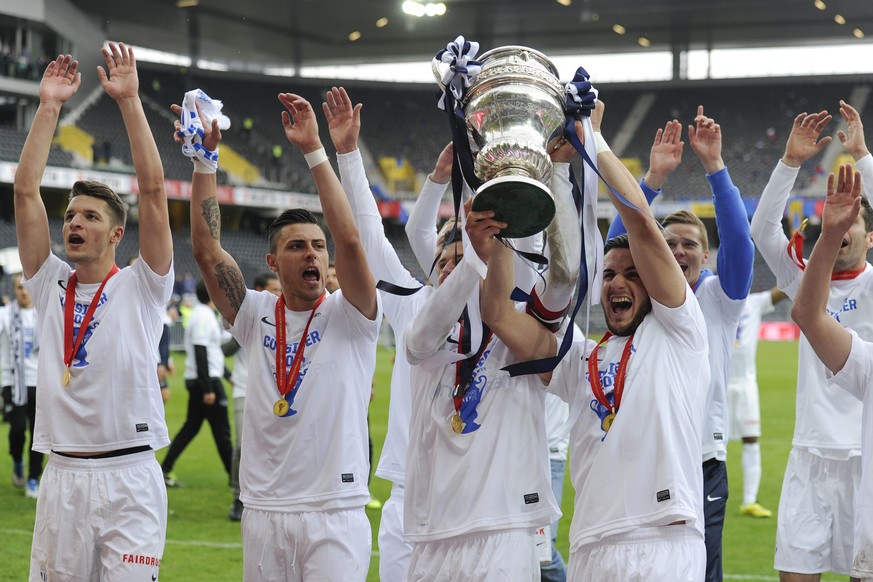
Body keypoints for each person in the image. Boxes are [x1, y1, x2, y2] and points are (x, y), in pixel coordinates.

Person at [326, 84, 580, 581]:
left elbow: (563, 268)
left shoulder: (518, 313)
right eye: (446, 255)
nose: (453, 259)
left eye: (465, 253)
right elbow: (367, 238)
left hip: (502, 513)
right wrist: (347, 154)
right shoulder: (413, 305)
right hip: (417, 503)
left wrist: (552, 174)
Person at [483, 103, 711, 581]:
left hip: (662, 540)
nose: (616, 283)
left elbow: (643, 225)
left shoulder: (681, 331)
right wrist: (502, 232)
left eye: (632, 274)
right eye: (608, 275)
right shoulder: (581, 359)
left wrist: (594, 140)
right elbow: (500, 315)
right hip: (591, 547)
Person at [181, 89, 380, 580]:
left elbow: (350, 239)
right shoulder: (254, 313)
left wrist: (315, 150)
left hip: (334, 508)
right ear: (272, 262)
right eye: (297, 247)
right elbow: (208, 252)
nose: (313, 254)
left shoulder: (353, 313)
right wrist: (205, 162)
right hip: (264, 509)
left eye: (317, 246)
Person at [14, 45, 173, 580]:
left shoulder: (143, 285)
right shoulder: (49, 281)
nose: (74, 223)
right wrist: (49, 107)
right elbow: (24, 190)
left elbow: (152, 191)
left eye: (89, 216)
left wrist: (129, 101)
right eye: (70, 215)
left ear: (116, 233)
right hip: (61, 477)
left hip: (129, 475)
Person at [606, 107, 755, 582]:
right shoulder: (645, 295)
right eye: (669, 244)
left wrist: (715, 167)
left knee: (702, 570)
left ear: (706, 256)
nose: (679, 252)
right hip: (646, 451)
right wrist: (649, 180)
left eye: (691, 244)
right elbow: (617, 247)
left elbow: (740, 240)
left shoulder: (719, 297)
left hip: (702, 460)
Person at [750, 102, 873, 582]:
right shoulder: (805, 278)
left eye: (853, 222)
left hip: (866, 454)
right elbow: (762, 229)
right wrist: (788, 163)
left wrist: (862, 157)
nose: (841, 228)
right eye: (832, 220)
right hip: (811, 453)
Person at [791, 163, 873, 582]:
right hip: (813, 447)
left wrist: (863, 159)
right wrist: (829, 230)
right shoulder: (869, 365)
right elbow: (806, 314)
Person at [161, 280, 233, 488]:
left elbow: (210, 351)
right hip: (206, 382)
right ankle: (235, 479)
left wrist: (226, 374)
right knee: (223, 433)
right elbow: (201, 351)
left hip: (204, 378)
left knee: (191, 428)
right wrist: (208, 388)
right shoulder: (203, 316)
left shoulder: (205, 315)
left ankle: (164, 469)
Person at [727, 286, 787, 518]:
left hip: (746, 383)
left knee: (751, 439)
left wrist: (801, 264)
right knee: (713, 444)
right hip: (717, 383)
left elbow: (783, 290)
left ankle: (750, 501)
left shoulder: (754, 302)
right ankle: (704, 496)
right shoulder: (712, 298)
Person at [228, 271, 280, 522]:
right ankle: (237, 498)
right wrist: (249, 326)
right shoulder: (247, 312)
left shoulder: (286, 314)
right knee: (240, 444)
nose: (278, 293)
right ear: (259, 289)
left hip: (274, 393)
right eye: (273, 289)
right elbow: (225, 347)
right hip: (243, 389)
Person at [0, 273, 43, 498]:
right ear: (15, 290)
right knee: (17, 430)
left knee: (39, 435)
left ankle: (34, 478)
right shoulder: (6, 315)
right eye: (19, 288)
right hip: (13, 383)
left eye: (27, 287)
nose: (24, 292)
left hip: (40, 382)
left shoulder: (44, 315)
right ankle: (17, 461)